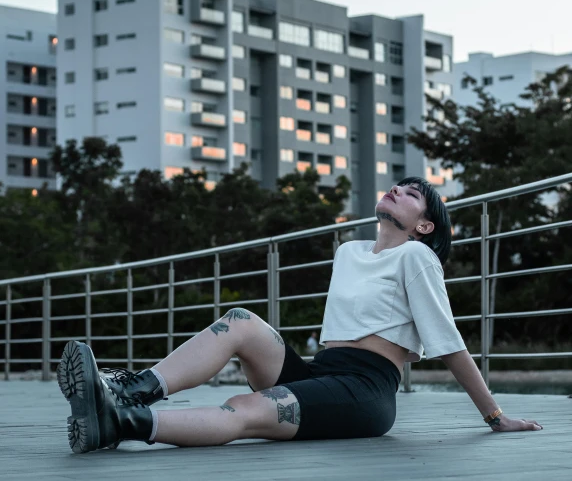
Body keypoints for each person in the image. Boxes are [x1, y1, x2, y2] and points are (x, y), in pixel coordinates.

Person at [57, 176, 543, 453]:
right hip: (320, 372)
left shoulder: (417, 257)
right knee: (242, 320)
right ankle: (129, 387)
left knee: (247, 410)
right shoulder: (349, 252)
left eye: (412, 193)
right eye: (397, 184)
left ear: (424, 224)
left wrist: (495, 416)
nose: (397, 188)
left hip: (364, 391)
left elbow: (448, 342)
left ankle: (121, 422)